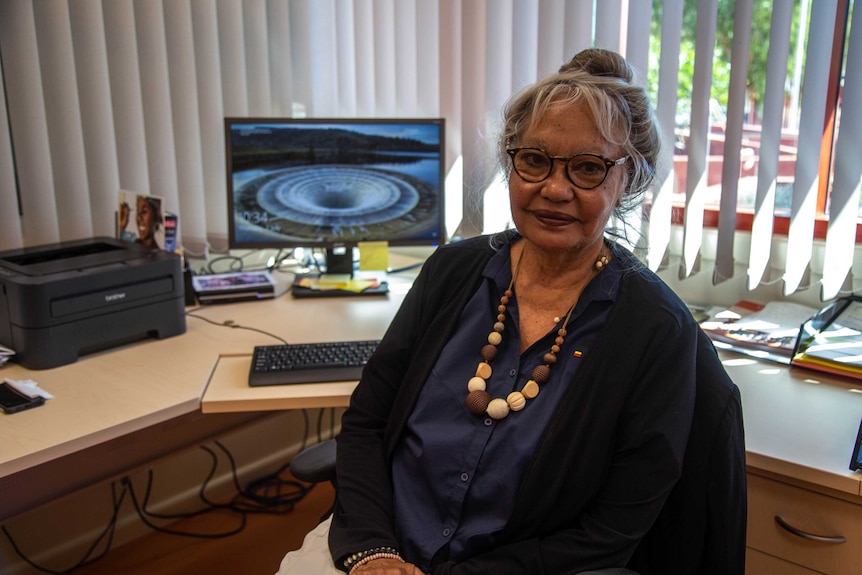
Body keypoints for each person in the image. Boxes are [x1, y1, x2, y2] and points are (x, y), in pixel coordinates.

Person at [277, 48, 734, 575]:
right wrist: (372, 551)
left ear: (628, 181)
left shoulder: (655, 330)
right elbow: (365, 425)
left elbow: (614, 529)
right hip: (379, 549)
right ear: (511, 163)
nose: (554, 189)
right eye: (535, 160)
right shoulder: (451, 272)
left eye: (588, 168)